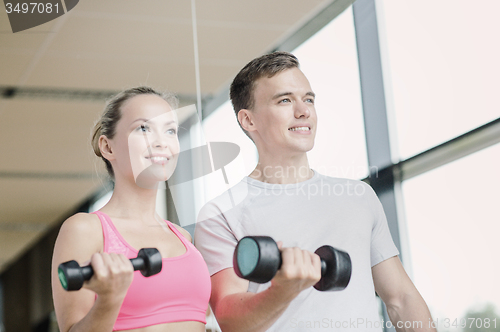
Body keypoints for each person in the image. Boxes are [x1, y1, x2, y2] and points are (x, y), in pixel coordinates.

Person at [194, 52, 436, 331]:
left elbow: (401, 299)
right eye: (285, 100)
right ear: (249, 121)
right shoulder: (221, 213)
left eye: (308, 99)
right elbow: (230, 319)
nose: (303, 111)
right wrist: (283, 290)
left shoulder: (358, 196)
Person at [51, 87, 211, 332]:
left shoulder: (183, 237)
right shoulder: (85, 230)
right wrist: (110, 299)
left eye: (170, 130)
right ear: (108, 147)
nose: (161, 142)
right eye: (143, 128)